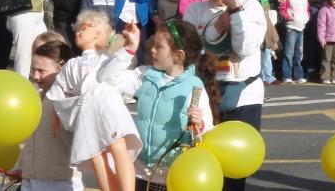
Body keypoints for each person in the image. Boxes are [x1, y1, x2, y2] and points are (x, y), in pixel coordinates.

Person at [101, 20, 218, 190]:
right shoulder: (144, 75)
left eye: (159, 46)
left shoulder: (194, 87)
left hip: (174, 175)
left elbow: (206, 131)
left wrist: (199, 124)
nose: (152, 49)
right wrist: (129, 49)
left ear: (178, 56)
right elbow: (106, 78)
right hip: (139, 172)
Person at [184, 0, 266, 191]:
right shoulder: (195, 10)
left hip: (244, 92)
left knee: (234, 165)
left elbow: (245, 47)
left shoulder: (251, 7)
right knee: (207, 157)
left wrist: (235, 12)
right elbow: (191, 51)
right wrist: (216, 27)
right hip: (207, 92)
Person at [47, 11, 142, 191]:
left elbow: (116, 69)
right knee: (96, 155)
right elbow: (59, 88)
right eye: (77, 29)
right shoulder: (72, 64)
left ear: (98, 34)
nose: (78, 32)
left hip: (107, 106)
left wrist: (128, 48)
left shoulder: (105, 59)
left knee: (117, 147)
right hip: (87, 112)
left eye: (83, 28)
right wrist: (56, 113)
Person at [18, 38, 84, 191]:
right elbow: (32, 142)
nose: (35, 76)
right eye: (33, 69)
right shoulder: (38, 97)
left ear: (62, 68)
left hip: (60, 182)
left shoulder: (68, 100)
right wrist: (24, 167)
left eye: (41, 71)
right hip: (31, 178)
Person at [239, 0, 284, 86]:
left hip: (264, 17)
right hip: (253, 19)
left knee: (267, 47)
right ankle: (260, 76)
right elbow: (245, 1)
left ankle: (267, 76)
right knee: (257, 48)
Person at [278, 0, 309, 84]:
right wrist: (289, 17)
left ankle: (298, 75)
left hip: (301, 27)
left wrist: (306, 18)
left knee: (299, 52)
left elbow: (306, 9)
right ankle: (287, 75)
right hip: (291, 27)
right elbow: (282, 10)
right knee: (289, 52)